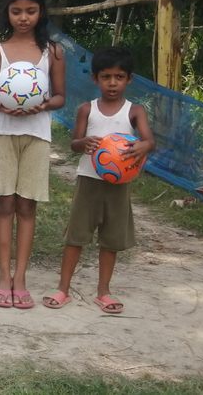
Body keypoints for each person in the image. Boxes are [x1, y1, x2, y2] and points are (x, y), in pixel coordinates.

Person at [0, 0, 66, 309]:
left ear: (41, 12)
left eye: (31, 11)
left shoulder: (52, 52)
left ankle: (21, 278)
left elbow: (60, 96)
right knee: (5, 205)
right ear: (7, 13)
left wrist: (44, 105)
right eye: (16, 11)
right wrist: (1, 106)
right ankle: (3, 277)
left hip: (36, 135)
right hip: (2, 133)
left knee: (27, 206)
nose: (24, 17)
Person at [42, 47, 153, 314]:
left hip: (119, 185)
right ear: (95, 79)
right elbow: (74, 144)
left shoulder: (134, 111)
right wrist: (84, 143)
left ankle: (103, 292)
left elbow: (150, 141)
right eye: (106, 77)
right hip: (89, 180)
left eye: (119, 77)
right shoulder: (86, 109)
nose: (112, 83)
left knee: (111, 240)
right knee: (76, 236)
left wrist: (143, 146)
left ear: (129, 79)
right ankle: (63, 289)